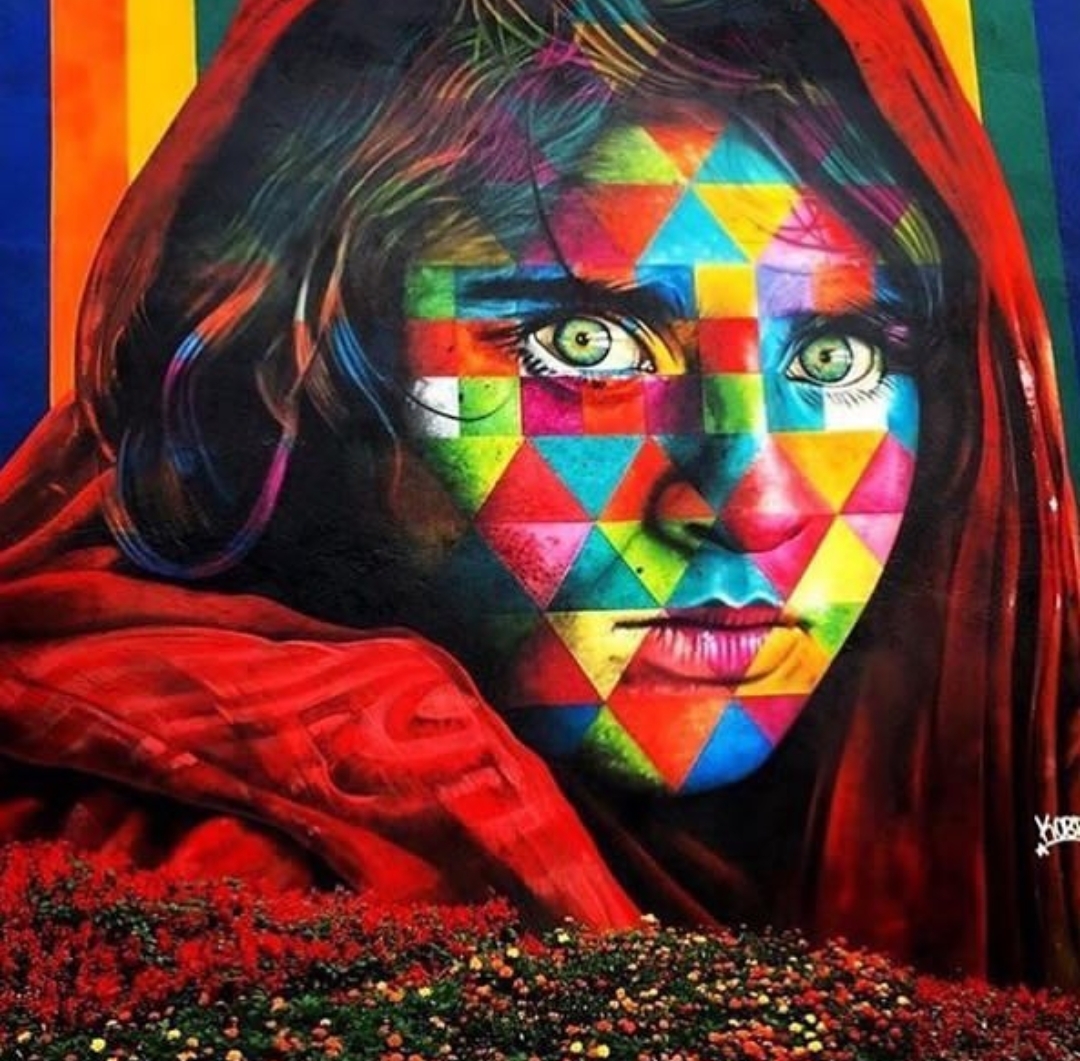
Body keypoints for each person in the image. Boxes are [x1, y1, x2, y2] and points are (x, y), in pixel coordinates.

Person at [0, 0, 1077, 987]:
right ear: (306, 376)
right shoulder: (177, 874)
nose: (757, 505)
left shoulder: (1024, 790)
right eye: (586, 342)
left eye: (840, 353)